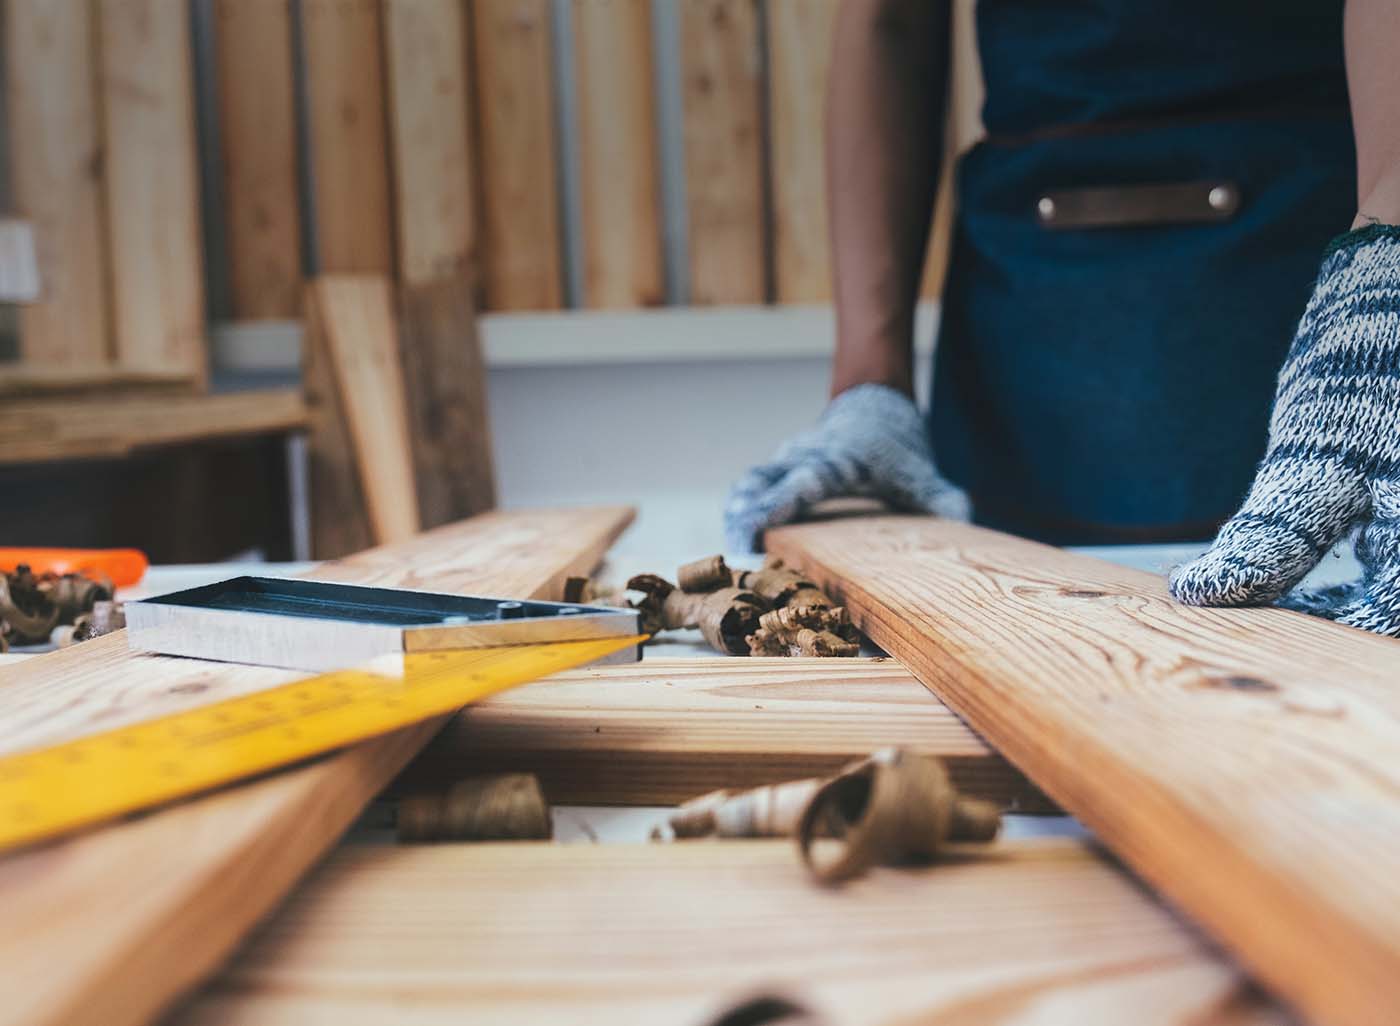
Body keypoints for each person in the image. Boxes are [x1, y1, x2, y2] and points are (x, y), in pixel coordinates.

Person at [725, 0, 1400, 636]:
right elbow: (890, 20)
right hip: (1029, 335)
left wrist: (1384, 280)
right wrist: (870, 390)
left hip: (1313, 272)